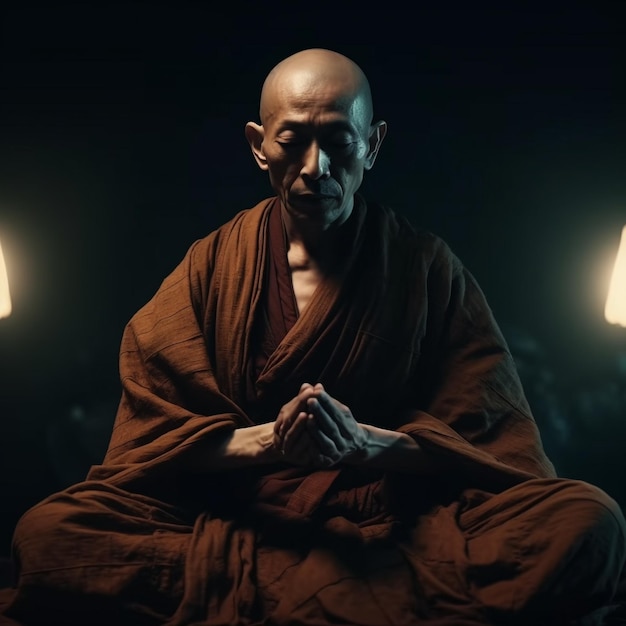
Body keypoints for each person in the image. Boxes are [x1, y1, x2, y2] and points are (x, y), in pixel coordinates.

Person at [0, 47, 625, 626]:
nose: (314, 168)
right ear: (258, 146)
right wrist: (270, 444)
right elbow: (150, 443)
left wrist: (363, 447)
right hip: (239, 518)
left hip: (396, 520)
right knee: (49, 533)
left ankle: (276, 599)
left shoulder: (425, 268)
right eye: (292, 141)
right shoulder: (212, 267)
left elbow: (489, 444)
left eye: (339, 142)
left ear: (374, 146)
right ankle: (356, 601)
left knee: (588, 520)